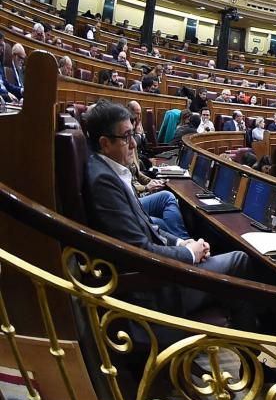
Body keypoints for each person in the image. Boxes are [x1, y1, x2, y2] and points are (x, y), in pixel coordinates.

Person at [80, 101, 253, 326]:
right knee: (239, 260)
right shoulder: (104, 181)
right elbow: (139, 251)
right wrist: (189, 255)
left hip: (156, 274)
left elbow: (147, 226)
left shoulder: (107, 170)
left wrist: (182, 243)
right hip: (151, 290)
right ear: (105, 143)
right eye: (126, 136)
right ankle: (247, 343)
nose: (133, 144)